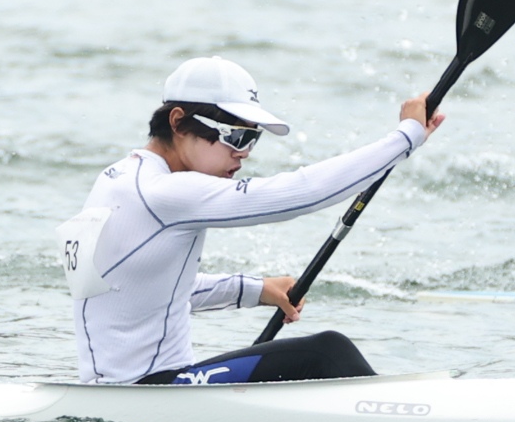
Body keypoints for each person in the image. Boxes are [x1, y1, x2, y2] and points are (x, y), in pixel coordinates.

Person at [61, 56, 442, 384]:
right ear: (178, 122)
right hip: (155, 389)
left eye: (252, 139)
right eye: (236, 137)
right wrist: (405, 137)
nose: (243, 153)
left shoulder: (117, 180)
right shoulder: (164, 192)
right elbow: (303, 193)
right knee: (328, 351)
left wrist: (254, 290)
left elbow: (142, 294)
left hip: (124, 388)